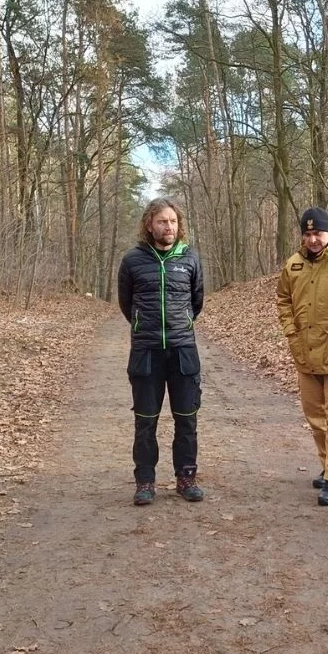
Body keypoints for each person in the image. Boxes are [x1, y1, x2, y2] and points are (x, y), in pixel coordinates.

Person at [118, 197, 205, 505]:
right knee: (145, 421)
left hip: (183, 352)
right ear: (149, 225)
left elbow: (196, 303)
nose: (168, 227)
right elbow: (127, 305)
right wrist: (145, 327)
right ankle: (145, 481)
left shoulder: (191, 258)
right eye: (162, 221)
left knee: (186, 420)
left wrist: (179, 326)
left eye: (173, 222)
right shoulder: (132, 261)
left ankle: (186, 477)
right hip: (146, 353)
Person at [275, 207, 328, 506]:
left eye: (318, 233)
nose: (313, 239)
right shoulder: (294, 264)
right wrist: (292, 333)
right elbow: (283, 300)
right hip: (306, 354)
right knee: (316, 417)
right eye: (308, 234)